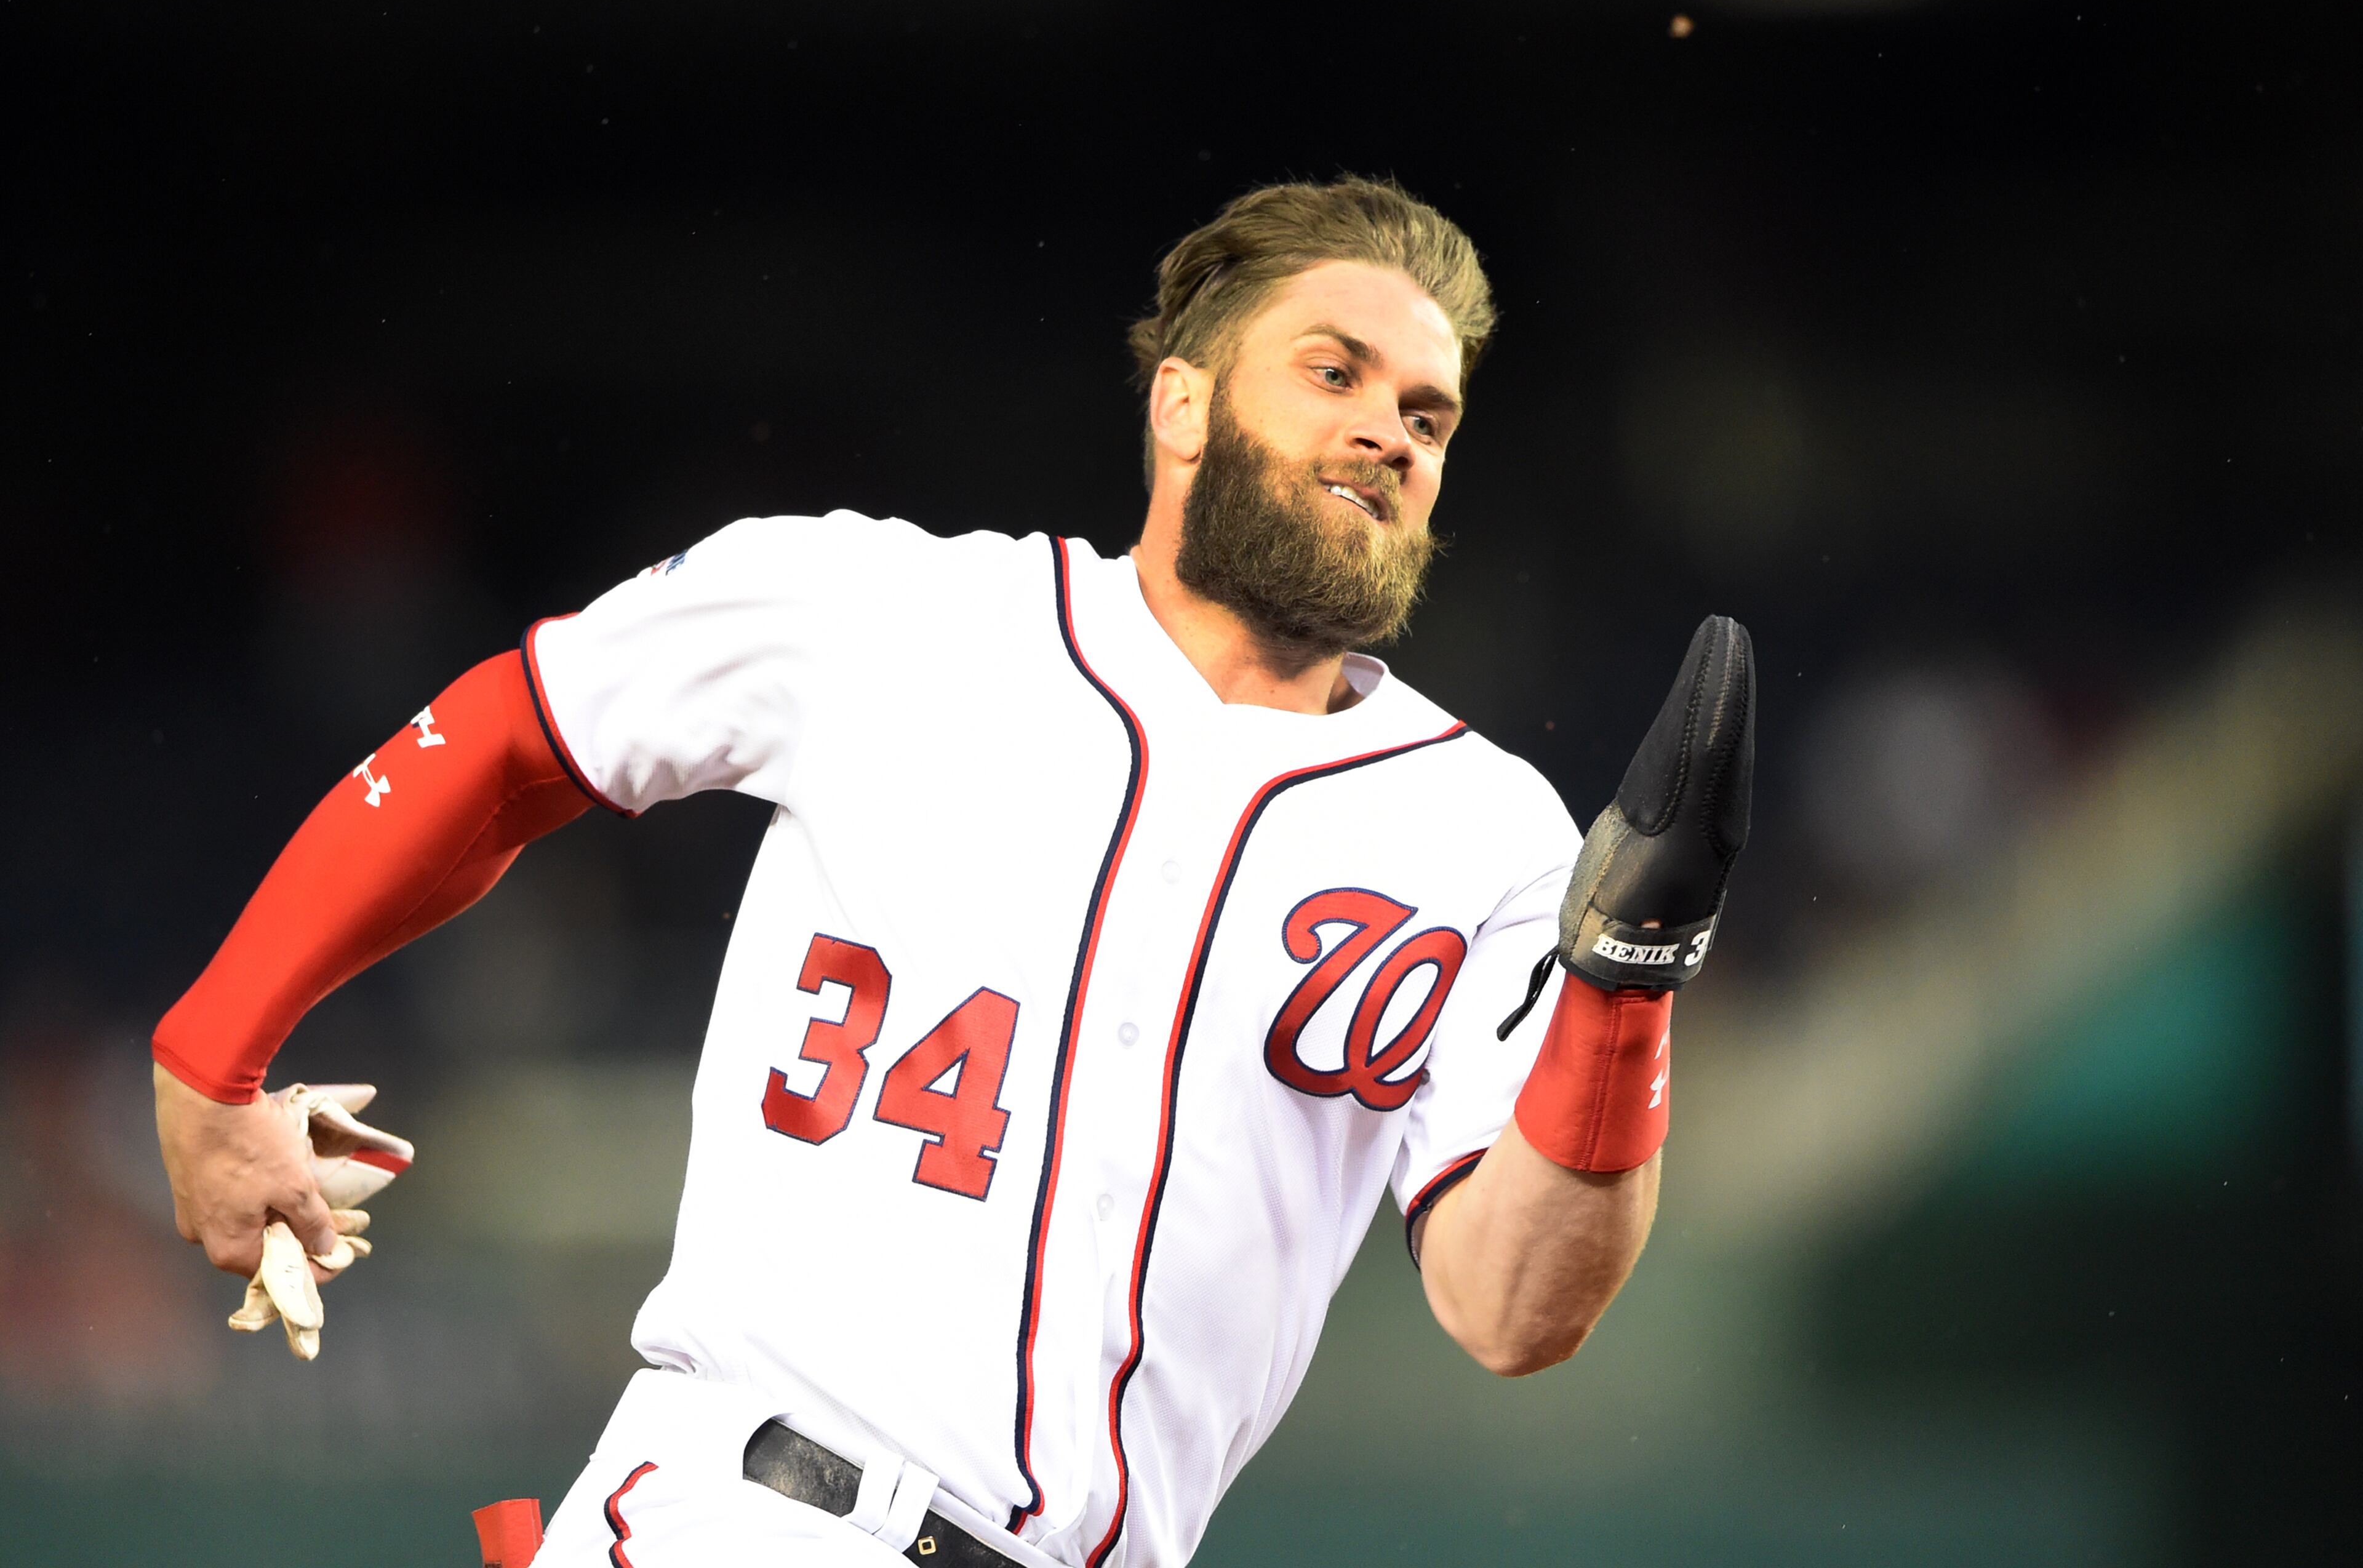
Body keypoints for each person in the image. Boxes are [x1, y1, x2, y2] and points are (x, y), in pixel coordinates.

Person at [151, 176, 1751, 1567]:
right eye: (1334, 372)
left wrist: (1627, 988)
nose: (1387, 433)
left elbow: (1513, 1308)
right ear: (1182, 402)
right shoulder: (886, 613)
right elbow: (518, 734)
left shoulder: (1484, 836)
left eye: (1427, 415)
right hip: (756, 1520)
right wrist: (213, 1049)